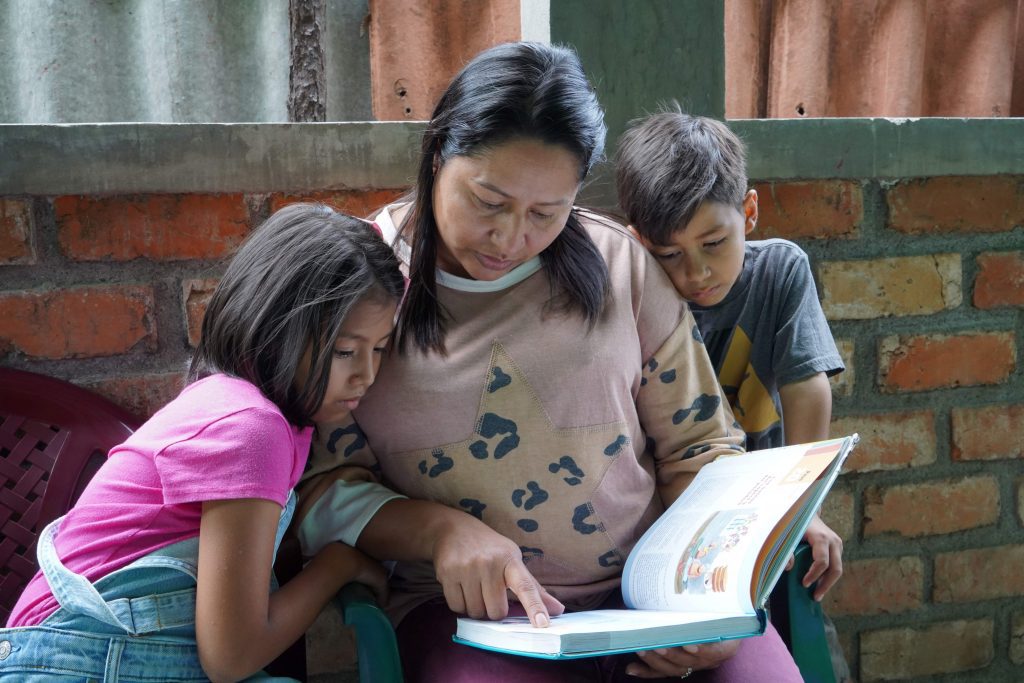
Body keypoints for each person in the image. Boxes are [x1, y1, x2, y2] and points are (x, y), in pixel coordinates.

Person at [296, 42, 803, 682]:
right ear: (436, 156)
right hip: (471, 617)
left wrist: (709, 605)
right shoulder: (361, 285)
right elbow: (319, 485)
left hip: (651, 601)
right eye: (487, 201)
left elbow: (704, 451)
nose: (511, 239)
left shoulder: (620, 266)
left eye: (546, 213)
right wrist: (438, 533)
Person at [2, 204, 404, 682]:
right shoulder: (251, 428)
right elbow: (231, 656)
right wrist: (337, 565)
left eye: (379, 348)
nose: (367, 374)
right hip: (75, 660)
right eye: (345, 351)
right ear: (276, 329)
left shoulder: (258, 415)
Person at [616, 112, 849, 679]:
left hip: (756, 516)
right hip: (665, 519)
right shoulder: (632, 289)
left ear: (749, 211)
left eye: (714, 243)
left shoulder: (779, 271)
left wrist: (803, 509)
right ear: (637, 241)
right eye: (668, 254)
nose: (695, 273)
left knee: (806, 633)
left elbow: (807, 384)